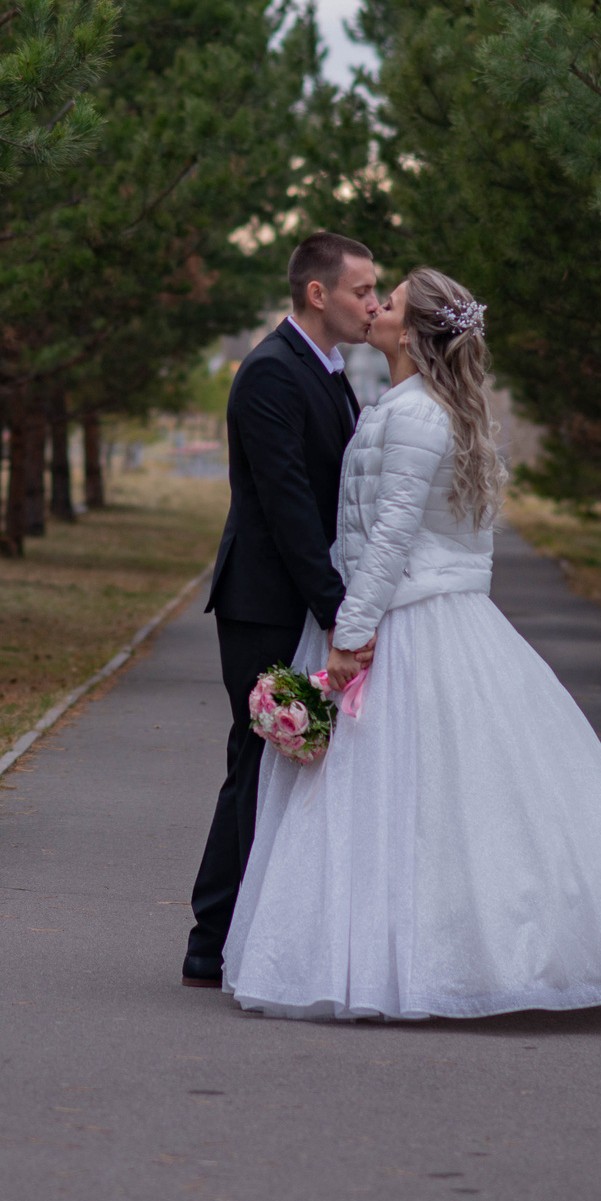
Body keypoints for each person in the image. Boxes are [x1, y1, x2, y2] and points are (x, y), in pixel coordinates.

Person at [222, 268, 601, 1019]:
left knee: (407, 798)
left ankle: (425, 962)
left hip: (405, 621)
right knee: (422, 800)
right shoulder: (412, 406)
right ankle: (403, 950)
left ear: (412, 334)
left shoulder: (415, 416)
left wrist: (349, 634)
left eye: (392, 301)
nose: (377, 306)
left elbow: (391, 536)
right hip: (412, 611)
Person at [183, 231, 380, 988]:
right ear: (317, 293)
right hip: (266, 601)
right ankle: (210, 937)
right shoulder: (270, 372)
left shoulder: (328, 371)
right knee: (258, 755)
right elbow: (290, 507)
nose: (373, 302)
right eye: (363, 290)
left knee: (275, 764)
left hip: (304, 596)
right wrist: (340, 612)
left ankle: (241, 930)